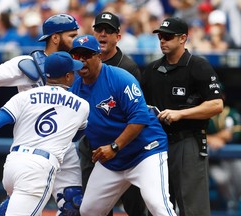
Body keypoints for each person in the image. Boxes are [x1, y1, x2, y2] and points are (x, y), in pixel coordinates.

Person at [0, 14, 84, 216]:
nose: (75, 40)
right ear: (55, 38)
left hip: (62, 148)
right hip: (33, 148)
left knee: (74, 206)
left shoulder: (75, 67)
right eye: (71, 35)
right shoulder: (28, 63)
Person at [69, 34, 177, 216]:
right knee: (88, 211)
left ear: (98, 56)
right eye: (77, 56)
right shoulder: (76, 87)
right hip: (112, 161)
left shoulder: (119, 78)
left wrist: (114, 146)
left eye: (86, 55)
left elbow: (140, 118)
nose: (81, 60)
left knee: (158, 206)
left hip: (144, 152)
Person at [140, 17, 224, 216]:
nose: (162, 41)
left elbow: (216, 104)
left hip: (187, 140)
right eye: (160, 36)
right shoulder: (152, 70)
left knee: (193, 208)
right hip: (157, 143)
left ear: (183, 38)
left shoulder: (198, 65)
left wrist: (181, 113)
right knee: (158, 205)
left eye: (168, 37)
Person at [78, 11, 146, 216]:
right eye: (99, 29)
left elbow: (136, 115)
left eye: (109, 31)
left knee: (135, 207)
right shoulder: (80, 64)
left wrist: (117, 146)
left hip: (125, 149)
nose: (103, 35)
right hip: (93, 147)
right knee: (94, 208)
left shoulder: (127, 68)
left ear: (118, 36)